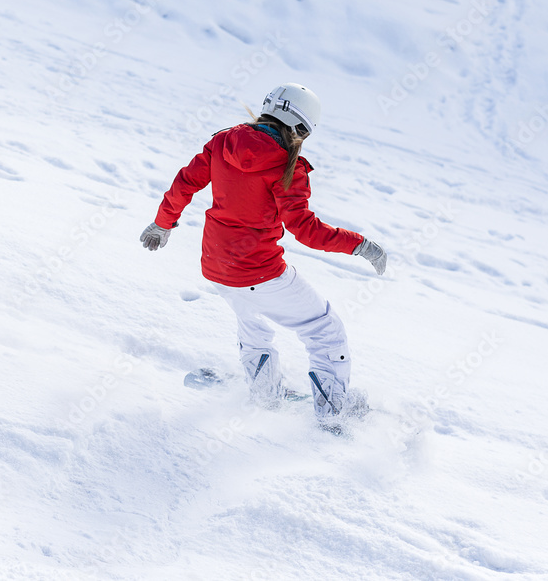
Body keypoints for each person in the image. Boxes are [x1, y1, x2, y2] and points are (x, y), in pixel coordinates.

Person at [140, 83, 387, 424]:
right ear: (299, 128)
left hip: (216, 266)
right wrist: (361, 245)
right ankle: (334, 411)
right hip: (260, 271)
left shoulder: (223, 141)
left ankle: (264, 392)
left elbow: (186, 183)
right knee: (324, 329)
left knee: (252, 324)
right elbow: (305, 229)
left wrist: (162, 223)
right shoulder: (286, 166)